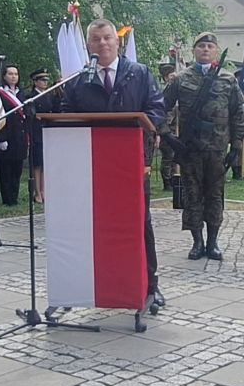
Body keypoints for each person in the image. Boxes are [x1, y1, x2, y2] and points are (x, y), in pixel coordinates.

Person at [62, 19, 166, 308]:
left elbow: (157, 111)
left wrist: (141, 129)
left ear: (117, 42)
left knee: (139, 223)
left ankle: (150, 286)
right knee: (98, 225)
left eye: (107, 38)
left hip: (132, 163)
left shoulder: (140, 73)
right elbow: (66, 114)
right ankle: (101, 283)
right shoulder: (80, 79)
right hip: (92, 166)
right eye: (96, 39)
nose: (103, 44)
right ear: (88, 45)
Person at [162, 32, 244, 260]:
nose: (205, 50)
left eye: (210, 46)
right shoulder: (180, 79)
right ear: (194, 51)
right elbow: (160, 108)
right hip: (190, 149)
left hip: (217, 149)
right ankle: (197, 242)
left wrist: (237, 146)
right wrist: (167, 136)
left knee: (215, 195)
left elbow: (238, 113)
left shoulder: (228, 80)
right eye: (201, 46)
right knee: (192, 194)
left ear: (216, 51)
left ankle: (213, 242)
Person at [27, 68, 60, 203]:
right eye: (42, 80)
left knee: (45, 164)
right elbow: (31, 114)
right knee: (37, 164)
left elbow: (56, 109)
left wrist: (59, 92)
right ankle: (37, 192)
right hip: (36, 132)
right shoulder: (31, 96)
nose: (45, 82)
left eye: (46, 80)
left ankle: (43, 190)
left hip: (48, 131)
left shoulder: (49, 95)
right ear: (35, 82)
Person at [0, 64, 26, 206]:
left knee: (17, 168)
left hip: (20, 135)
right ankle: (6, 197)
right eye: (10, 74)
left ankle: (15, 195)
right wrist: (2, 137)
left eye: (16, 74)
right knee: (6, 168)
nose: (13, 77)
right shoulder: (0, 94)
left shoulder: (21, 94)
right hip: (7, 134)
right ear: (4, 76)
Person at [157, 63, 178, 191]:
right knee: (168, 156)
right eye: (171, 75)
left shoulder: (177, 89)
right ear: (166, 77)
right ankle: (167, 181)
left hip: (176, 130)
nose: (174, 77)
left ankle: (174, 178)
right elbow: (164, 113)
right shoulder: (164, 92)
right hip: (167, 131)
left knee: (175, 157)